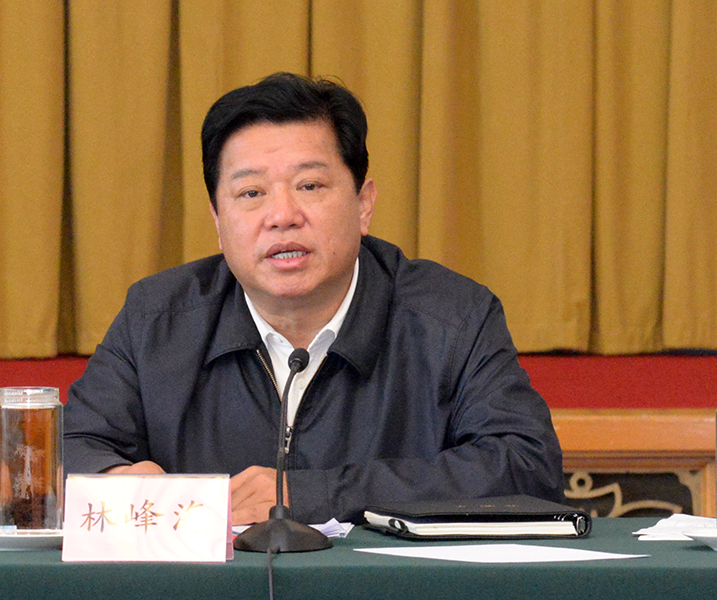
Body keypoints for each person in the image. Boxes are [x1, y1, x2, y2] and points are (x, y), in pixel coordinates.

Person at [64, 72, 565, 526]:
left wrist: (309, 495)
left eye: (309, 185)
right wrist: (116, 479)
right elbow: (69, 447)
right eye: (251, 193)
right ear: (217, 220)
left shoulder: (453, 318)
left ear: (363, 205)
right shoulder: (157, 319)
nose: (282, 216)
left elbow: (526, 465)